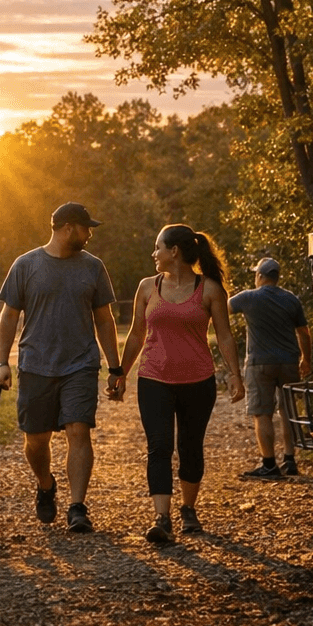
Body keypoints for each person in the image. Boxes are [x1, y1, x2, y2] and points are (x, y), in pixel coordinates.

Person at [0, 202, 122, 535]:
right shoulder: (26, 265)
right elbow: (9, 316)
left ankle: (77, 507)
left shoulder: (93, 268)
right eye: (86, 228)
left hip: (80, 364)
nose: (90, 234)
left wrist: (115, 366)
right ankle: (46, 483)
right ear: (68, 228)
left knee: (78, 431)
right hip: (36, 364)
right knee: (36, 440)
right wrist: (1, 362)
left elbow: (104, 320)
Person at [115, 224, 244, 544]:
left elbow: (225, 336)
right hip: (154, 379)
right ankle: (162, 517)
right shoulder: (147, 287)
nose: (153, 253)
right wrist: (120, 373)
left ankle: (188, 508)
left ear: (174, 252)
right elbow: (136, 335)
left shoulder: (211, 289)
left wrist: (235, 375)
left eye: (158, 247)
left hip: (198, 381)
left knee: (190, 447)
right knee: (159, 447)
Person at [229, 257, 312, 479]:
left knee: (262, 413)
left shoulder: (249, 297)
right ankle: (290, 460)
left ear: (260, 276)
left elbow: (221, 307)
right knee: (287, 411)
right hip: (289, 362)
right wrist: (306, 359)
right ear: (277, 277)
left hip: (260, 363)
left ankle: (268, 465)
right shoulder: (291, 300)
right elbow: (303, 332)